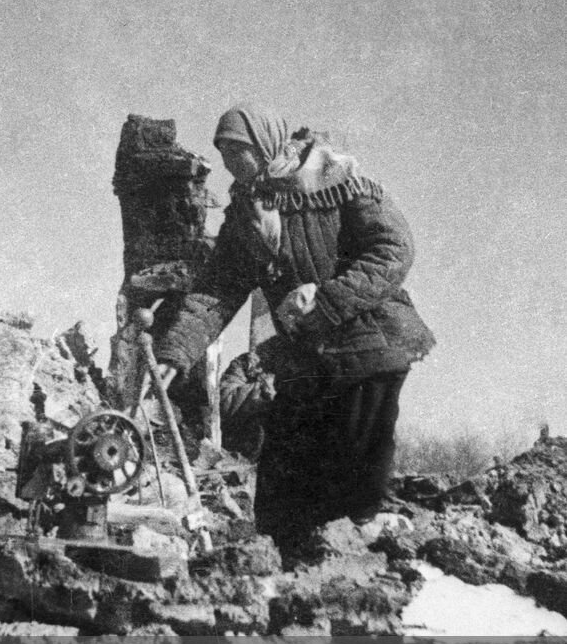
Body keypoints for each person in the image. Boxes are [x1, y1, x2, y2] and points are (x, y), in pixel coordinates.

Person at [154, 104, 435, 558]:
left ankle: (353, 586)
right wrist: (176, 350)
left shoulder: (341, 182)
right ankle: (281, 583)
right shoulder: (248, 212)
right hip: (308, 354)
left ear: (267, 143)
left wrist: (327, 299)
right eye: (224, 154)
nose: (231, 165)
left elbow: (395, 250)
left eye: (238, 152)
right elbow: (217, 291)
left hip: (369, 345)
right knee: (282, 491)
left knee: (351, 489)